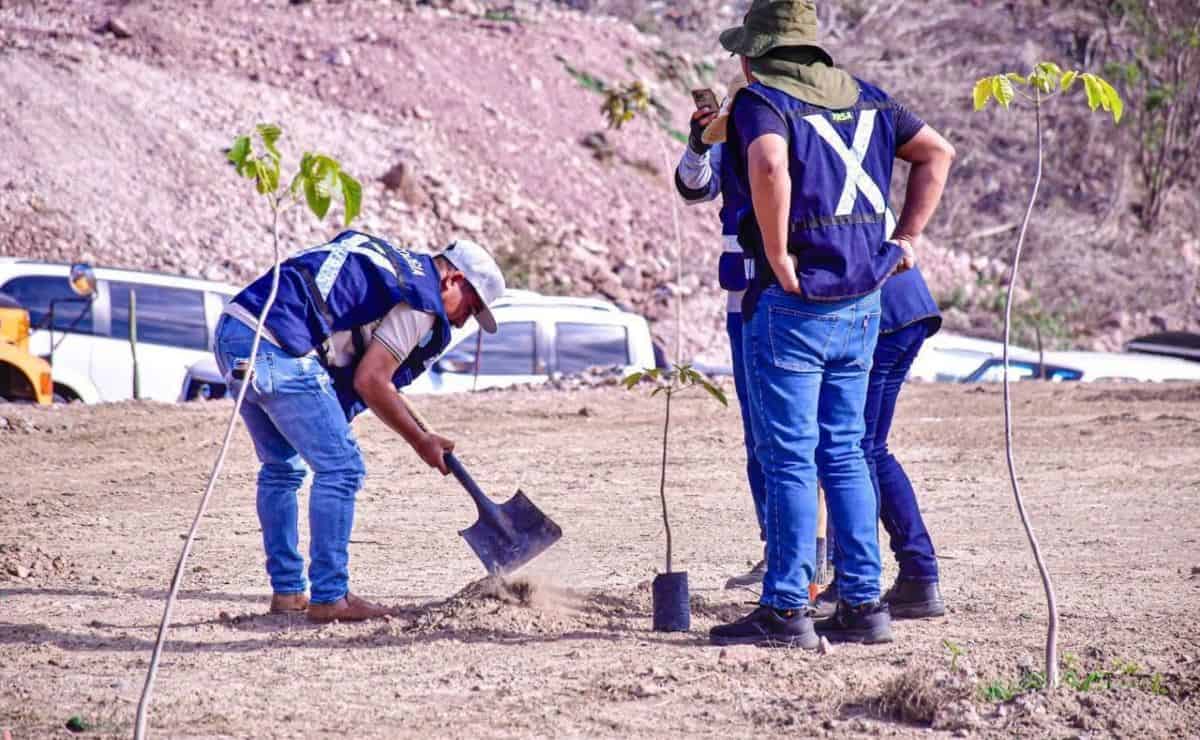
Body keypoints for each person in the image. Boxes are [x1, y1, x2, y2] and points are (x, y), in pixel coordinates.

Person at [708, 0, 954, 648]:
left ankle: (787, 609)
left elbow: (768, 164)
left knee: (789, 457)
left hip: (796, 302)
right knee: (844, 452)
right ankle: (864, 605)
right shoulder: (867, 97)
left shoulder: (763, 100)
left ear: (756, 54)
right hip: (863, 302)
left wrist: (778, 252)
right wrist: (905, 238)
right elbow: (937, 152)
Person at [213, 231, 505, 623]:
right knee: (341, 468)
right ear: (453, 280)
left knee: (282, 469)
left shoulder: (397, 268)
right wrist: (420, 440)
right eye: (470, 308)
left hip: (235, 331)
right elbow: (371, 381)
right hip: (279, 347)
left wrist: (419, 431)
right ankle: (331, 596)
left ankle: (289, 591)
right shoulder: (422, 300)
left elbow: (369, 371)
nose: (462, 321)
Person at [673, 76, 770, 589]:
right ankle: (779, 547)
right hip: (742, 300)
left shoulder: (790, 137)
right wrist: (698, 142)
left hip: (782, 295)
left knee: (793, 433)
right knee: (758, 434)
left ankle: (815, 554)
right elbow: (693, 187)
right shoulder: (731, 142)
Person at [810, 268, 948, 620]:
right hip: (909, 306)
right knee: (869, 448)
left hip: (881, 314)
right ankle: (918, 575)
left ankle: (855, 580)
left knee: (853, 452)